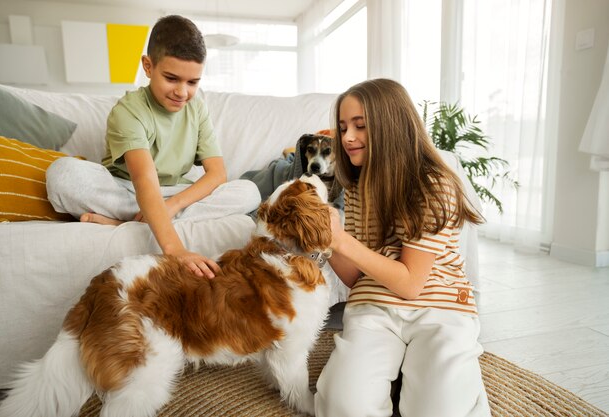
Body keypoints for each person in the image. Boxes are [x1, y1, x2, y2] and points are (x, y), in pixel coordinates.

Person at [314, 78, 491, 417]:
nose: (347, 137)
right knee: (343, 406)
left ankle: (446, 371)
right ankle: (405, 376)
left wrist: (342, 240)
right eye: (343, 127)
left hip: (439, 308)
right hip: (375, 306)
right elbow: (356, 277)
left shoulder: (433, 183)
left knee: (439, 412)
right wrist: (327, 239)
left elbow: (411, 284)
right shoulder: (356, 186)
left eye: (360, 126)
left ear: (391, 126)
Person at [46, 15, 261, 278]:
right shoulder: (129, 111)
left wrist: (172, 206)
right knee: (63, 174)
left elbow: (217, 174)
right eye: (171, 78)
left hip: (173, 194)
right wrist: (176, 250)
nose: (182, 92)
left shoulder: (197, 110)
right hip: (128, 189)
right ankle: (149, 219)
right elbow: (144, 180)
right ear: (148, 67)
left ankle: (125, 223)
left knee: (249, 191)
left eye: (192, 82)